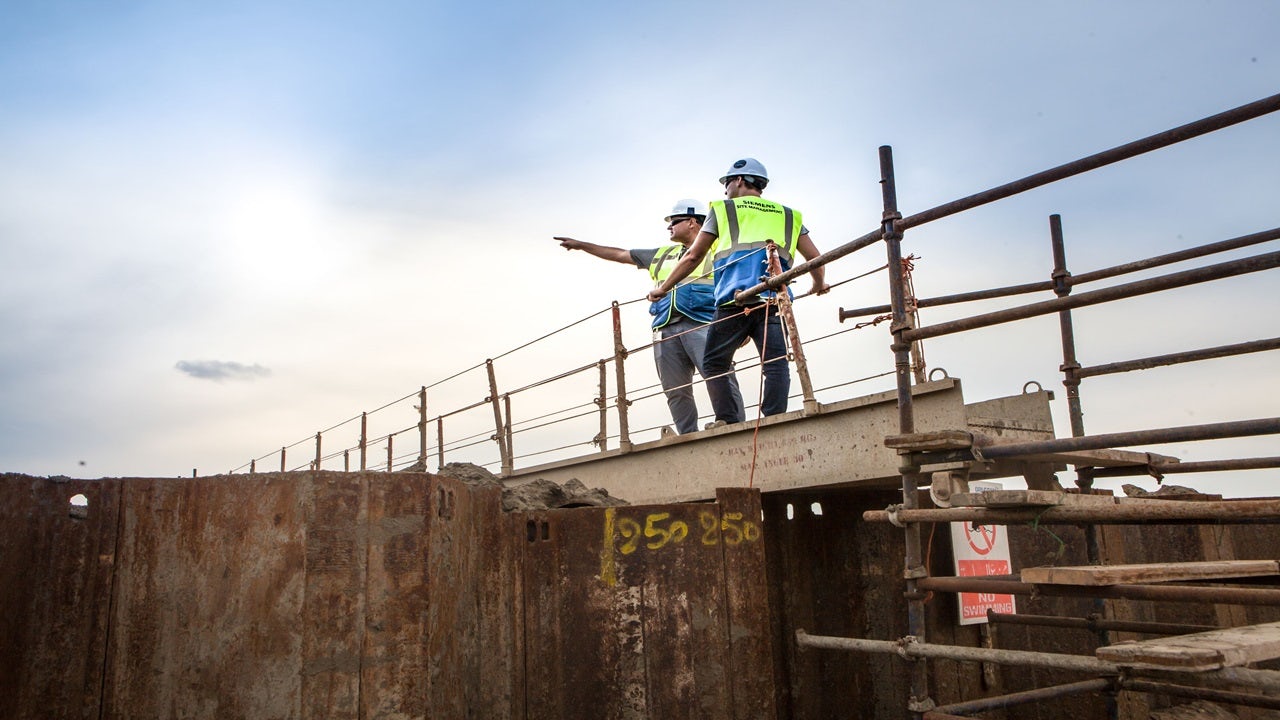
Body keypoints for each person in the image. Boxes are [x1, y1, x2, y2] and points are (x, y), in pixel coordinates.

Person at [648, 158, 829, 424]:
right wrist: (818, 283)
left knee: (714, 363)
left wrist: (663, 287)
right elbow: (815, 257)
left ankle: (728, 420)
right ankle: (774, 418)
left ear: (740, 180)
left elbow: (693, 256)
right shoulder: (788, 215)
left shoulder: (723, 210)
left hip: (734, 301)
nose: (725, 189)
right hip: (775, 300)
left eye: (727, 182)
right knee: (776, 362)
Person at [554, 200, 744, 434]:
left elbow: (736, 280)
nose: (669, 228)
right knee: (675, 389)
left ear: (693, 222)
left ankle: (735, 425)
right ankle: (687, 435)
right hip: (665, 328)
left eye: (674, 222)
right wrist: (582, 245)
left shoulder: (717, 250)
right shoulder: (662, 254)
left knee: (718, 375)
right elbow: (620, 254)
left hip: (704, 323)